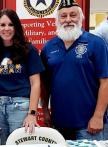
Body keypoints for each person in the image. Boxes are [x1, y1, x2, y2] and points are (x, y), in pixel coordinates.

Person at [41, 0, 108, 140]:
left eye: (73, 15)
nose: (68, 20)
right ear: (57, 20)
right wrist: (45, 111)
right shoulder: (48, 47)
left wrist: (98, 116)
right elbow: (44, 84)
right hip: (59, 124)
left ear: (81, 18)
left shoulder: (96, 44)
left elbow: (105, 82)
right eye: (63, 16)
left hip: (89, 125)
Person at [0, 9, 44, 145]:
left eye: (10, 25)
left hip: (21, 106)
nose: (6, 29)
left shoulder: (28, 50)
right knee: (5, 143)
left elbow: (35, 83)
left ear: (16, 27)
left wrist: (32, 113)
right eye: (2, 25)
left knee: (19, 143)